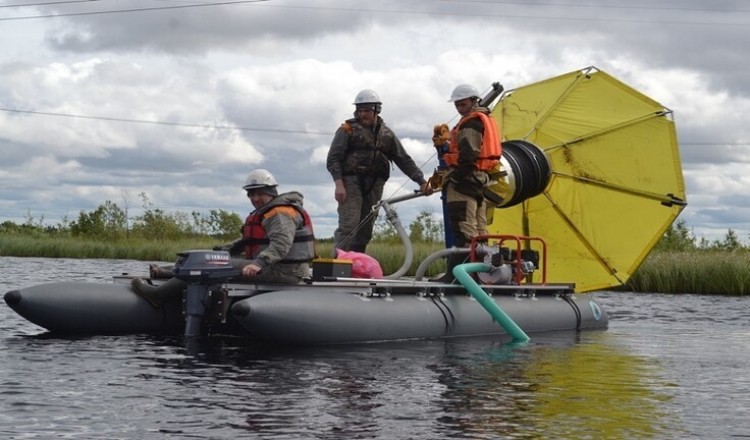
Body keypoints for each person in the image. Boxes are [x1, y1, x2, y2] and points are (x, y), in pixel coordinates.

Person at [131, 169, 316, 308]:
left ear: (271, 192)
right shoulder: (268, 212)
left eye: (260, 193)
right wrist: (220, 251)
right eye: (251, 194)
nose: (255, 198)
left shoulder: (280, 214)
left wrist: (258, 264)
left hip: (284, 271)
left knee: (205, 266)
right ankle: (169, 272)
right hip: (271, 266)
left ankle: (158, 296)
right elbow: (247, 242)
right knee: (200, 259)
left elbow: (281, 244)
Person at [326, 89, 431, 253]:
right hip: (350, 183)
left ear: (376, 110)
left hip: (375, 184)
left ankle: (358, 261)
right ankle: (338, 262)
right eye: (360, 110)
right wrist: (339, 184)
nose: (363, 114)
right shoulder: (347, 130)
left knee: (366, 228)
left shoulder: (387, 134)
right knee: (349, 225)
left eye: (367, 110)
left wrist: (422, 181)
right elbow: (333, 159)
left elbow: (403, 159)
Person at [436, 84, 502, 282]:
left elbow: (468, 156)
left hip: (465, 181)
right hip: (479, 180)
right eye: (457, 104)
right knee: (479, 231)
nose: (459, 108)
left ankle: (457, 276)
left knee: (463, 230)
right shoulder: (483, 119)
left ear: (474, 101)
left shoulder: (470, 123)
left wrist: (455, 179)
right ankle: (480, 275)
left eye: (463, 104)